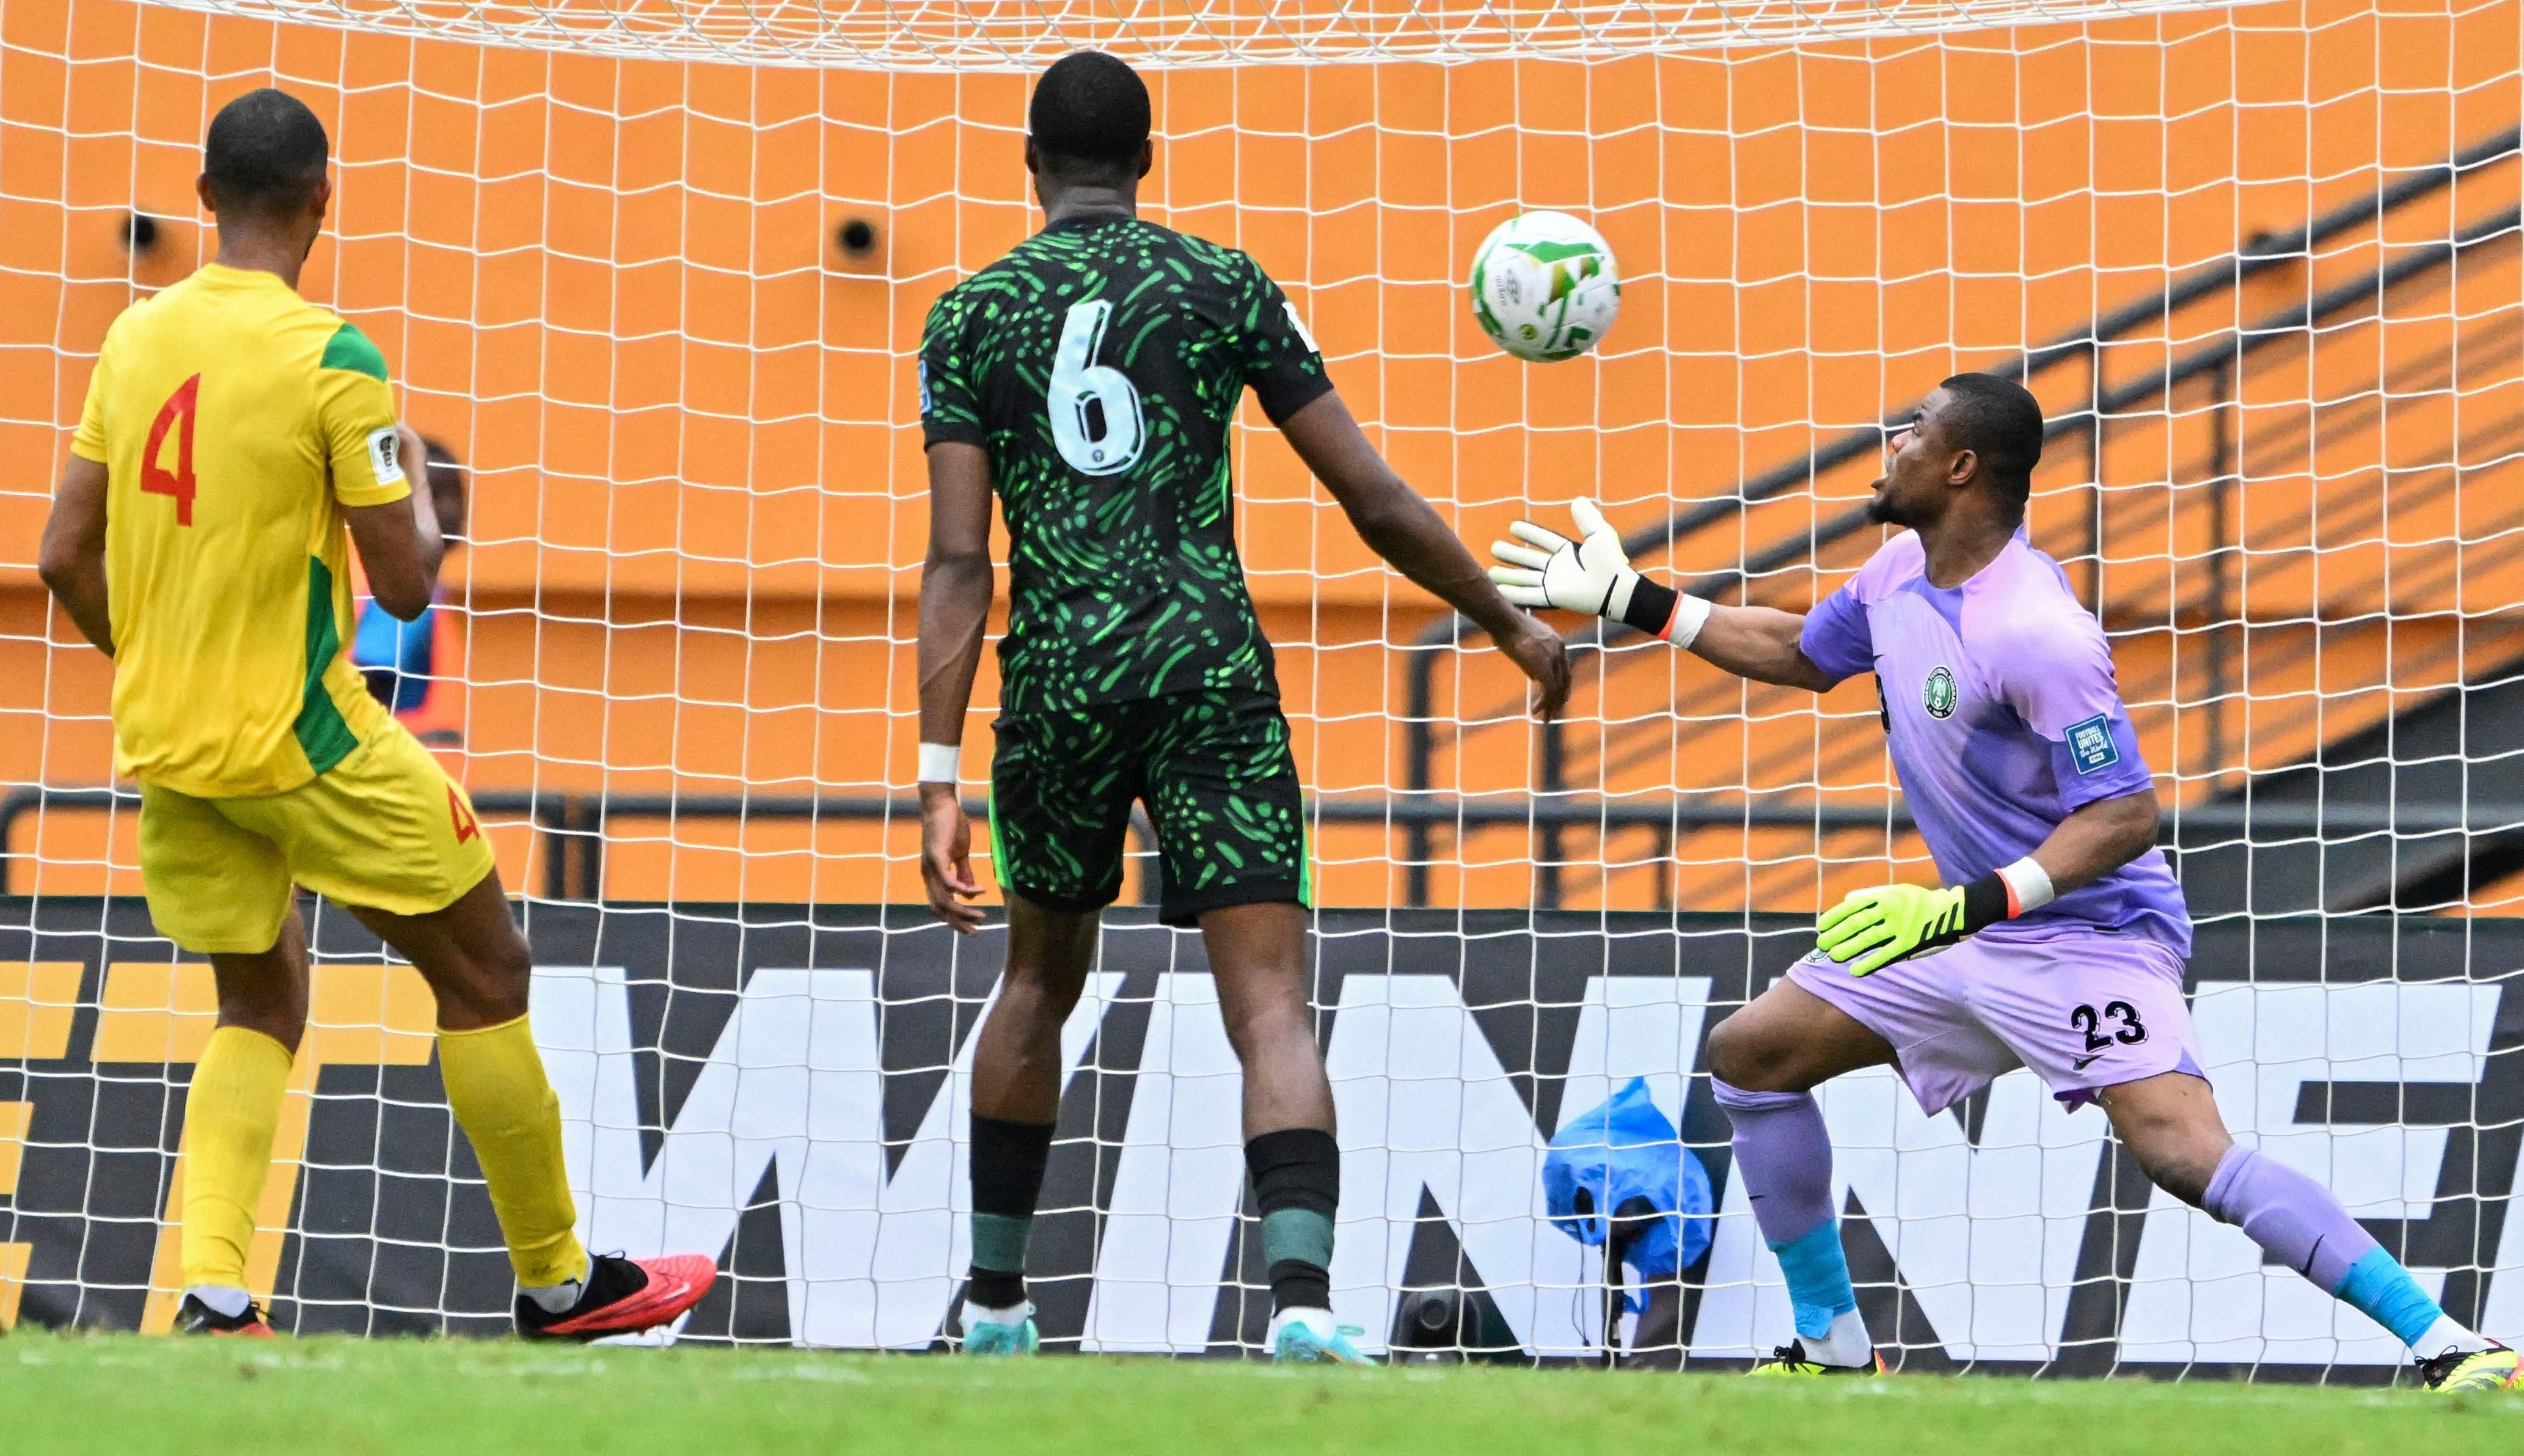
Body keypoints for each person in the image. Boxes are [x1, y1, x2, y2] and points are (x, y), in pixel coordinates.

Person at [1486, 373, 2518, 1392]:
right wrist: (1634, 598)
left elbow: (2122, 814)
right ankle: (1832, 1342)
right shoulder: (1898, 571)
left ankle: (2451, 1345)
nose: (1892, 440)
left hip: (2090, 936)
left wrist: (1963, 905)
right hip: (1968, 927)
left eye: (1915, 430)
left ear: (1961, 465)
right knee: (1754, 1054)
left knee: (2183, 1152)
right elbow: (1802, 650)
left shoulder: (2036, 631)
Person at [915, 51, 1571, 1363]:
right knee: (1270, 1000)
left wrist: (938, 771)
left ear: (1029, 164)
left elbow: (957, 559)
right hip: (1209, 667)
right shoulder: (1222, 284)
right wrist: (1500, 617)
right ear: (1147, 160)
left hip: (1058, 677)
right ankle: (1304, 1307)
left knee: (1037, 977)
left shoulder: (971, 314)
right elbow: (1371, 497)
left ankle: (995, 1305)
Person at [35, 87, 714, 1339]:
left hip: (171, 744)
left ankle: (215, 1292)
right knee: (489, 963)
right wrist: (416, 506)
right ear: (321, 201)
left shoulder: (133, 341)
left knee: (258, 1002)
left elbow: (62, 555)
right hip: (306, 735)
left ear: (200, 201)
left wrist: (154, 657)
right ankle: (562, 1280)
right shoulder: (332, 356)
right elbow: (403, 583)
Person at [353, 436, 467, 743]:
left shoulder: (434, 591)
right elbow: (369, 682)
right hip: (402, 775)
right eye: (437, 495)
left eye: (458, 493)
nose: (453, 508)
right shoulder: (407, 592)